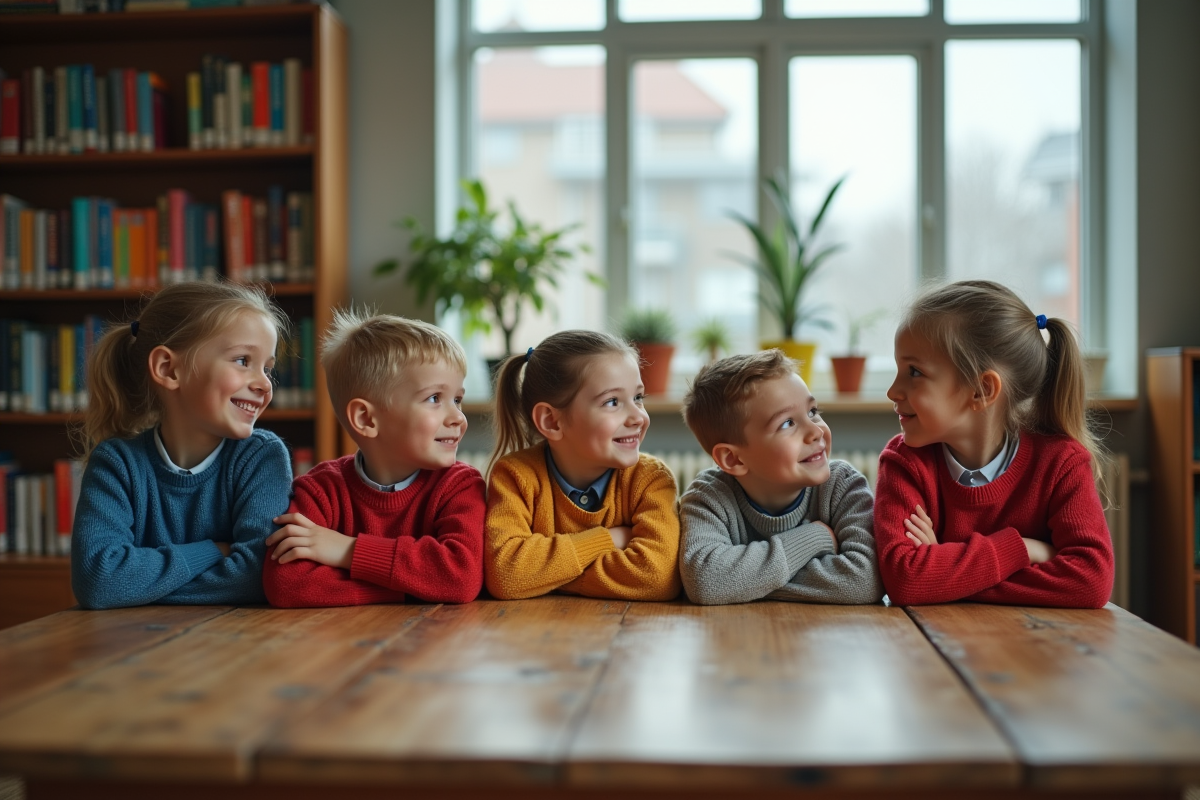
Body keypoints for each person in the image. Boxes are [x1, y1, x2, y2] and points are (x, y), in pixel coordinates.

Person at [875, 280, 1114, 608]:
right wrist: (1024, 550)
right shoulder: (904, 463)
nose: (892, 391)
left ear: (981, 391)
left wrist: (943, 571)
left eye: (914, 372)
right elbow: (905, 580)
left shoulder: (1062, 463)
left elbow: (1090, 582)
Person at [71, 281, 292, 609]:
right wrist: (214, 550)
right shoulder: (115, 463)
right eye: (243, 360)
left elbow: (259, 576)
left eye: (268, 369)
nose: (263, 384)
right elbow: (97, 581)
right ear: (168, 369)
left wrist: (137, 588)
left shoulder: (262, 457)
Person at [262, 311, 484, 607]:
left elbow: (460, 577)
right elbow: (287, 584)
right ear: (366, 418)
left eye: (457, 399)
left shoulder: (460, 485)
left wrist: (347, 551)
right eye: (434, 399)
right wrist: (414, 587)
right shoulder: (320, 490)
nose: (458, 417)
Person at [484, 330, 681, 601]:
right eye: (612, 402)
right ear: (551, 421)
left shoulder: (651, 479)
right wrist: (610, 539)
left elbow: (657, 576)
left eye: (638, 398)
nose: (638, 417)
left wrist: (545, 575)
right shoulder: (515, 477)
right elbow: (506, 574)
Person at [678, 350, 883, 605]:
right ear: (733, 459)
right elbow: (705, 582)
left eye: (812, 411)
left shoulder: (842, 486)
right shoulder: (708, 498)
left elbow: (865, 580)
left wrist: (741, 583)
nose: (816, 431)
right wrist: (814, 537)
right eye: (787, 423)